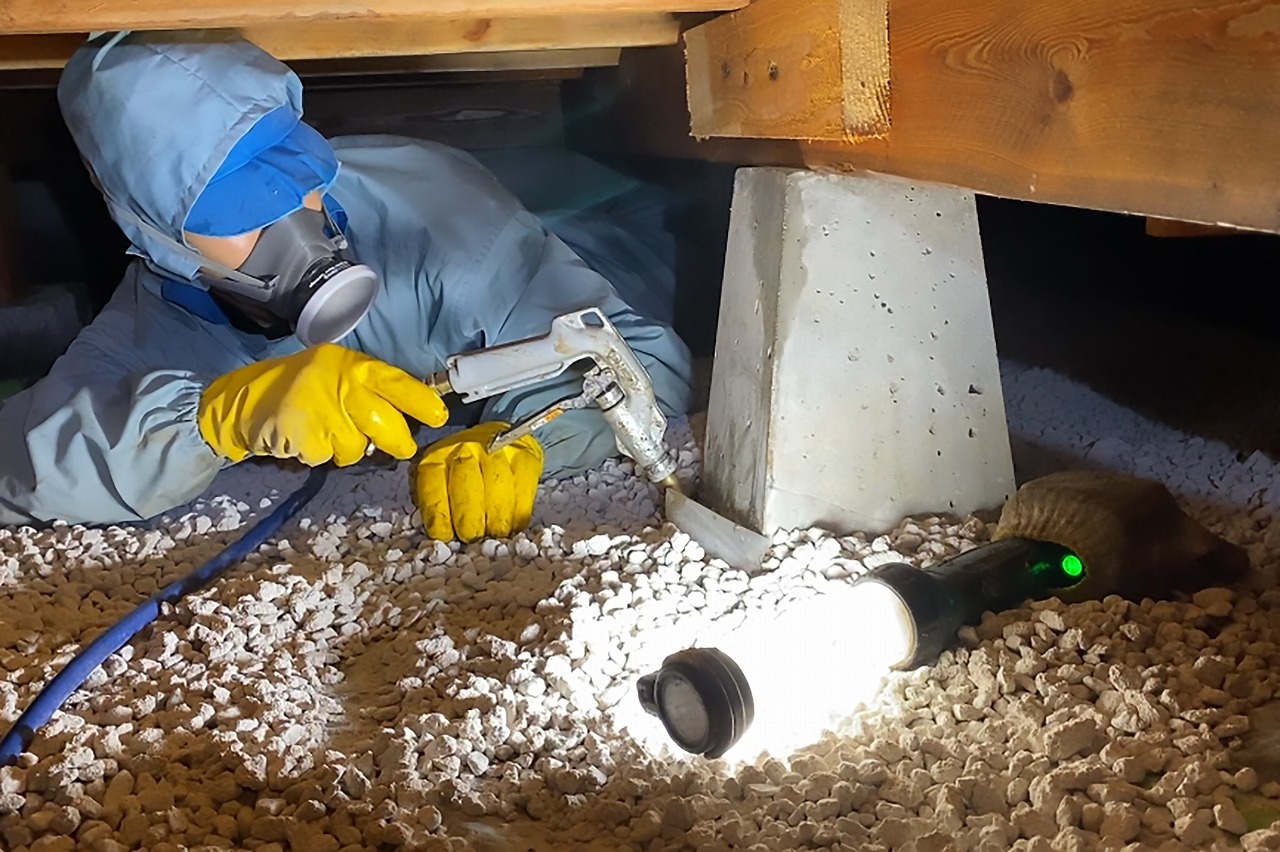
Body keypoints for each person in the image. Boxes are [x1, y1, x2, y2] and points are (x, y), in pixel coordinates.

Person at [0, 32, 693, 541]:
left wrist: (529, 438)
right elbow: (21, 467)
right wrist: (211, 419)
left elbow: (637, 355)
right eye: (240, 214)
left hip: (622, 240)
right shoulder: (149, 333)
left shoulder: (438, 218)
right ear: (156, 236)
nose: (295, 222)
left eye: (293, 177)